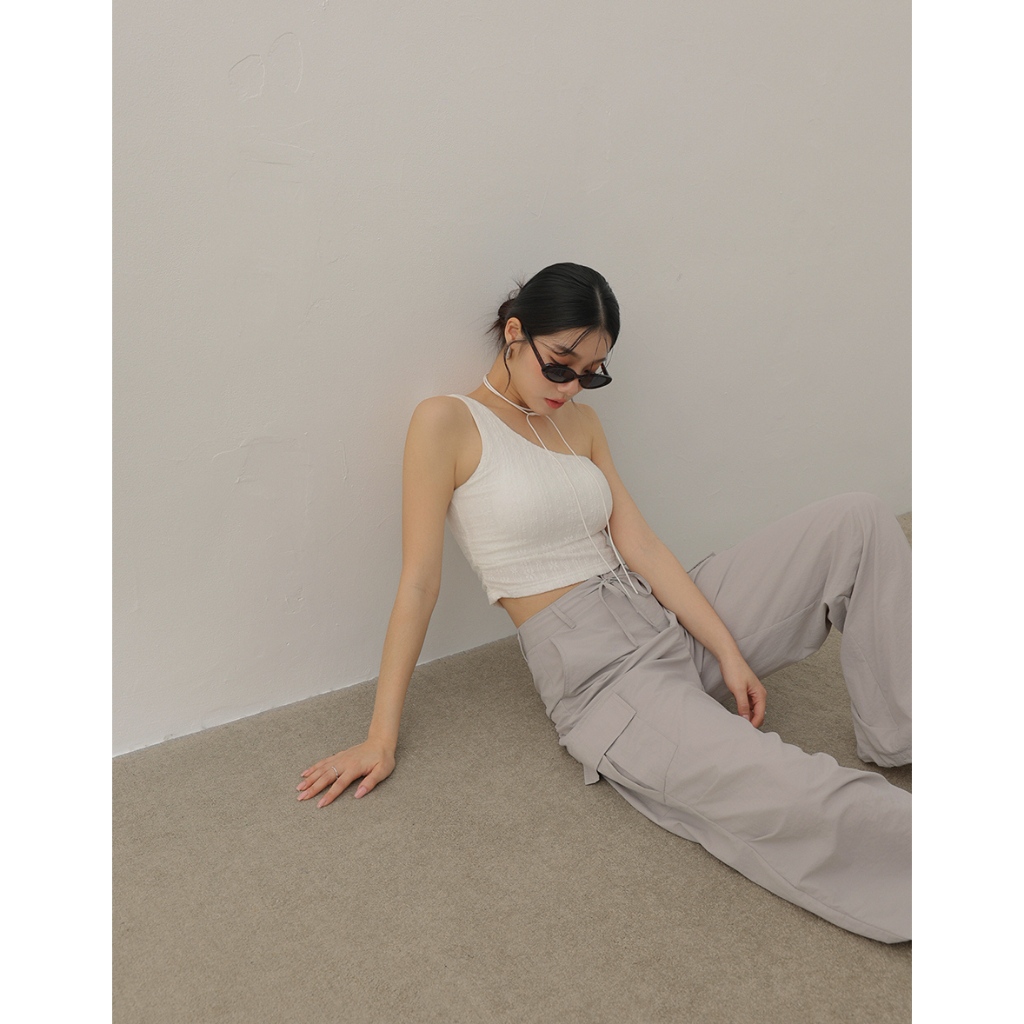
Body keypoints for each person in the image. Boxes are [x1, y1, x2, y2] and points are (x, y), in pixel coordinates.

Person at [297, 263, 912, 943]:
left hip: (655, 609)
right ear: (514, 334)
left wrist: (728, 652)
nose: (571, 387)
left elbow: (640, 545)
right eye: (560, 365)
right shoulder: (447, 421)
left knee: (857, 520)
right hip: (602, 677)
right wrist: (380, 738)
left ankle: (906, 734)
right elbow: (419, 582)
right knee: (793, 787)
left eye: (591, 373)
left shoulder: (580, 424)